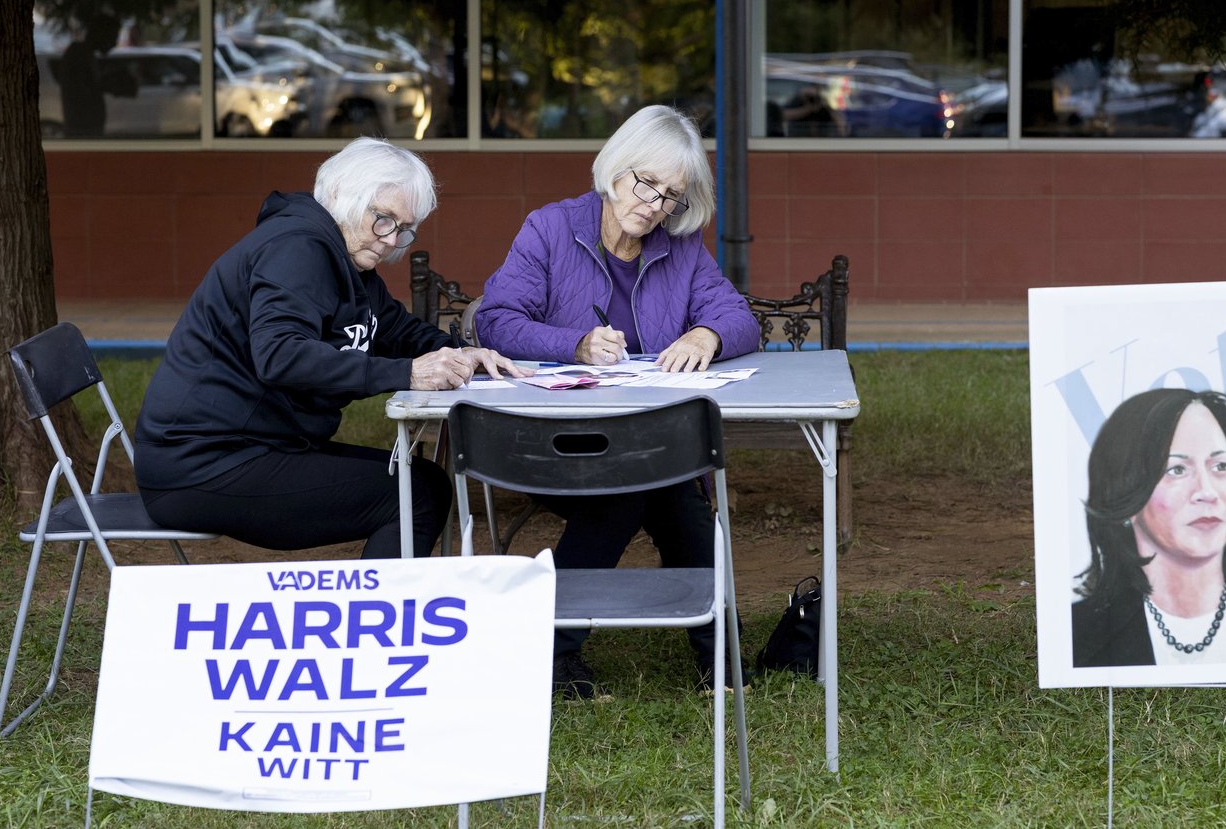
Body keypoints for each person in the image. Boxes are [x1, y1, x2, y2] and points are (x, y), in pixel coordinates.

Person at [475, 104, 761, 697]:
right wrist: (572, 344)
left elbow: (737, 316)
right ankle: (710, 659)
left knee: (662, 486)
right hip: (554, 442)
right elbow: (497, 321)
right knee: (648, 485)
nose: (654, 204)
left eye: (671, 196)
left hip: (646, 441)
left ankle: (567, 654)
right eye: (645, 183)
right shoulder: (550, 228)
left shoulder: (680, 246)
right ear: (616, 168)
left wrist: (706, 333)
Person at [134, 137, 529, 559]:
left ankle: (379, 613)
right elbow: (281, 356)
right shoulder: (297, 247)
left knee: (423, 482)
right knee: (417, 494)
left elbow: (394, 329)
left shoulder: (348, 260)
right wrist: (408, 374)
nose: (392, 239)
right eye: (383, 219)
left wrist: (458, 352)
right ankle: (379, 619)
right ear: (341, 195)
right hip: (203, 464)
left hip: (256, 447)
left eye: (404, 228)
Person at [1071, 388, 1226, 668]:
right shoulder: (1078, 635)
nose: (1206, 492)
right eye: (1177, 470)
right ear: (1125, 492)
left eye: (1220, 466)